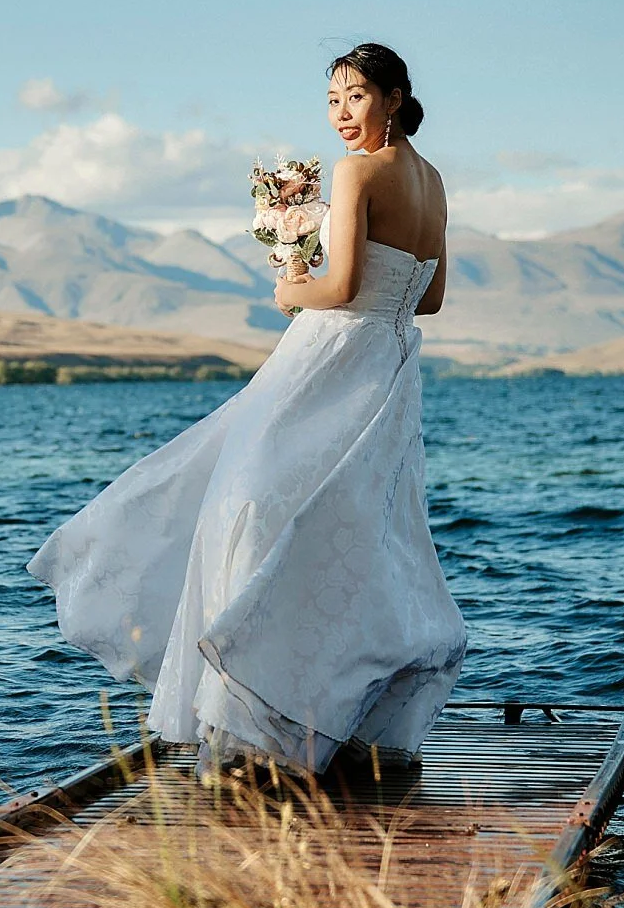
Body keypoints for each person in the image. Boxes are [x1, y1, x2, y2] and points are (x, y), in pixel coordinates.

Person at [27, 42, 466, 778]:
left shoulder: (358, 172)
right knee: (359, 534)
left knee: (245, 503)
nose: (341, 114)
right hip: (389, 372)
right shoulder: (435, 181)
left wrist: (291, 285)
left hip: (329, 362)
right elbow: (431, 297)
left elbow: (340, 288)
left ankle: (254, 717)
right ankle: (332, 711)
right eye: (332, 100)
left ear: (394, 97)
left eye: (356, 96)